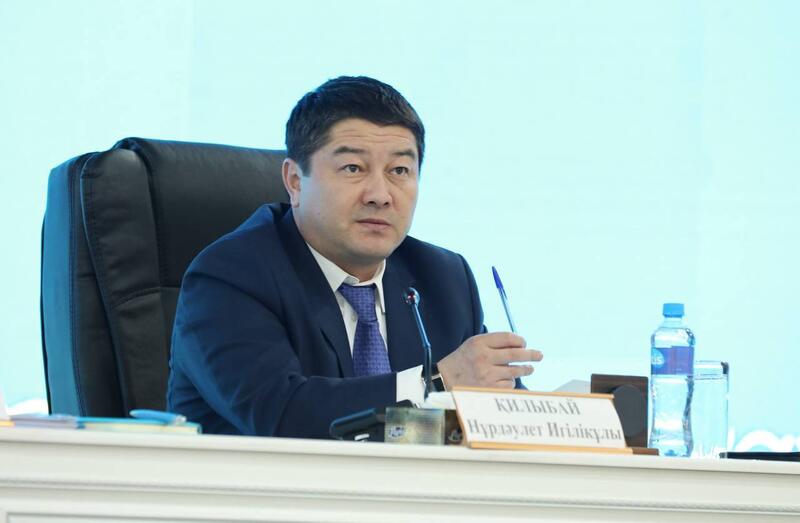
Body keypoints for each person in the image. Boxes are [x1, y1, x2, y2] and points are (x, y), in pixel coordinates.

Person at [167, 76, 543, 438]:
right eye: (353, 168)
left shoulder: (443, 279)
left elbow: (492, 421)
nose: (380, 195)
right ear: (295, 181)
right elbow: (283, 416)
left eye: (399, 170)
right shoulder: (230, 276)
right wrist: (436, 383)